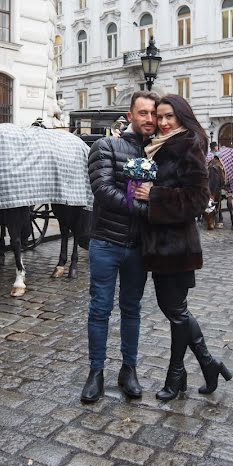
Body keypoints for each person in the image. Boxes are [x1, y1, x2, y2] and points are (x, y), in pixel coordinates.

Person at [134, 95, 232, 401]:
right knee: (174, 310)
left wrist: (156, 196)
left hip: (177, 246)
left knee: (176, 312)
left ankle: (176, 376)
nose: (162, 122)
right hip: (160, 245)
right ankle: (207, 364)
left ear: (181, 118)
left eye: (169, 117)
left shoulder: (188, 145)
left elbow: (198, 199)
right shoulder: (158, 145)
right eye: (159, 117)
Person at [81, 91, 159, 404]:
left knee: (131, 309)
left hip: (139, 247)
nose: (150, 120)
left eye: (153, 114)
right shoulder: (106, 146)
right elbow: (103, 190)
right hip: (106, 242)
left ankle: (129, 370)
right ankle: (95, 372)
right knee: (99, 309)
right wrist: (146, 208)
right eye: (143, 113)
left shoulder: (158, 152)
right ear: (130, 115)